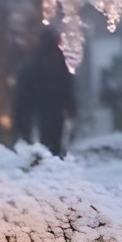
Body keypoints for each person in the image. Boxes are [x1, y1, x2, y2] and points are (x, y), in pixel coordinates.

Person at [11, 25, 77, 155]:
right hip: (55, 104)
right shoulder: (58, 59)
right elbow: (66, 85)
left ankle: (42, 153)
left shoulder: (36, 57)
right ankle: (53, 154)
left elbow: (27, 82)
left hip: (40, 103)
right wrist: (71, 107)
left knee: (43, 132)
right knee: (55, 133)